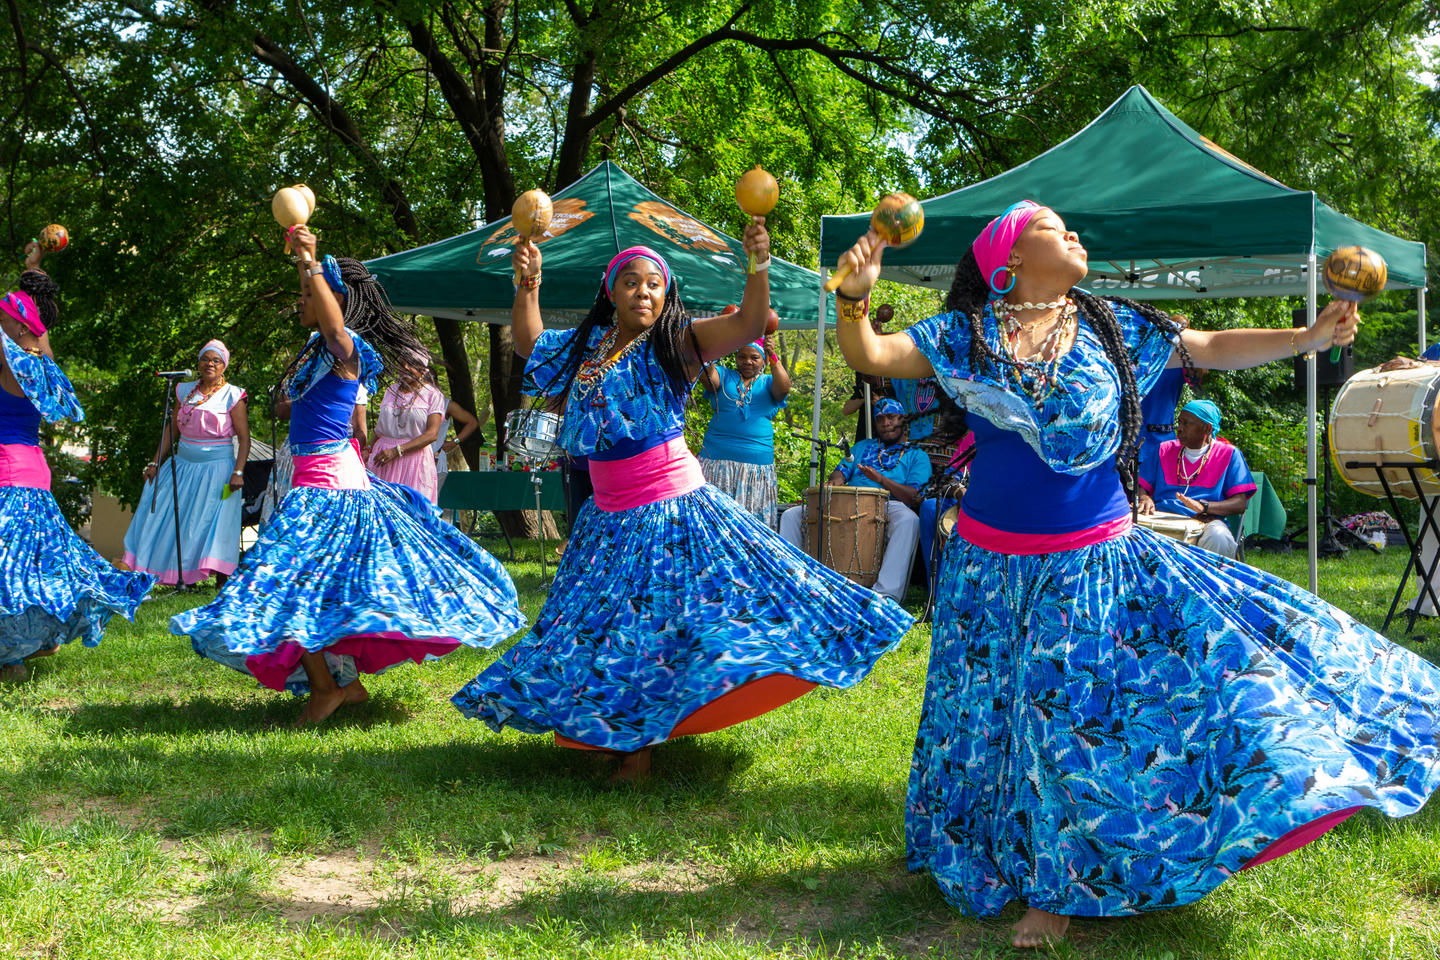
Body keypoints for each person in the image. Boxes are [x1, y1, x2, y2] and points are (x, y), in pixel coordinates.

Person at [831, 199, 1440, 949]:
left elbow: (1210, 346)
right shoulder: (969, 334)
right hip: (987, 571)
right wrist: (854, 297)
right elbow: (872, 356)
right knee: (991, 720)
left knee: (1066, 723)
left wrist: (1310, 336)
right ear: (1009, 259)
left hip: (1089, 561)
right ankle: (988, 849)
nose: (1074, 234)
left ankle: (1059, 887)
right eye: (1055, 228)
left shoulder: (1112, 326)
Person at [452, 228, 911, 782]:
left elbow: (745, 325)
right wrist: (529, 280)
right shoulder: (589, 346)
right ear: (611, 292)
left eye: (654, 284)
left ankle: (636, 747)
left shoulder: (675, 345)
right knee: (599, 630)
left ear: (667, 296)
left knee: (657, 631)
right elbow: (529, 342)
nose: (643, 292)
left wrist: (757, 265)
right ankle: (614, 727)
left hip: (668, 509)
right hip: (606, 517)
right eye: (630, 282)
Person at [171, 226, 524, 725]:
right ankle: (345, 682)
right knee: (311, 585)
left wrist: (314, 263)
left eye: (307, 294)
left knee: (293, 583)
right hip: (315, 480)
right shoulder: (317, 351)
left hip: (330, 488)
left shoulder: (347, 347)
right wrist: (301, 258)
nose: (300, 301)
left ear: (333, 299)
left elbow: (334, 328)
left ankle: (324, 687)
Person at [0, 245, 153, 682]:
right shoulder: (43, 366)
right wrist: (33, 273)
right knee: (28, 565)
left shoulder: (9, 362)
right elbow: (38, 327)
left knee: (11, 569)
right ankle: (17, 653)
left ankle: (19, 649)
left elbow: (27, 323)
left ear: (15, 324)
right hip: (32, 473)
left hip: (7, 474)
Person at [122, 340, 250, 586]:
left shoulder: (233, 395)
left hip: (218, 468)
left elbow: (244, 439)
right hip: (183, 464)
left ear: (224, 366)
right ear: (198, 362)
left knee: (213, 521)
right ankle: (167, 573)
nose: (209, 364)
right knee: (167, 514)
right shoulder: (183, 390)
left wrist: (238, 471)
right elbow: (172, 430)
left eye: (216, 360)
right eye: (205, 359)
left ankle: (220, 580)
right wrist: (154, 462)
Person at [778, 398, 930, 602]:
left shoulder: (917, 455)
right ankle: (792, 583)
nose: (886, 423)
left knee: (909, 520)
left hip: (889, 504)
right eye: (881, 419)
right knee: (791, 515)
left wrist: (881, 480)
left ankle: (885, 595)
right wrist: (834, 483)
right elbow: (840, 472)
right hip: (848, 501)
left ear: (904, 420)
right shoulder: (861, 447)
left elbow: (915, 497)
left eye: (892, 417)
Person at [1138, 399, 1255, 558]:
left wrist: (1204, 507)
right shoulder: (1163, 449)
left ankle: (1208, 582)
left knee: (1219, 536)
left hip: (1206, 522)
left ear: (1207, 428)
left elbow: (1240, 504)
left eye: (1187, 424)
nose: (1179, 429)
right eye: (1179, 422)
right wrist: (1144, 497)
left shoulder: (1229, 454)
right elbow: (1141, 485)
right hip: (1161, 516)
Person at [697, 335, 790, 529]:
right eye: (742, 356)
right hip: (716, 462)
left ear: (762, 359)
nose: (747, 361)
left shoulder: (769, 381)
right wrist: (716, 349)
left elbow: (783, 389)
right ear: (736, 357)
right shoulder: (723, 374)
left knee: (750, 527)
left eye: (754, 357)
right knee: (713, 523)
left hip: (755, 469)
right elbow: (708, 380)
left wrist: (773, 356)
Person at [367, 363, 446, 502]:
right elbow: (381, 429)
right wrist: (368, 449)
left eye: (411, 364)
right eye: (401, 363)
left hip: (414, 460)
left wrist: (396, 451)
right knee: (381, 509)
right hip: (382, 457)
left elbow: (432, 434)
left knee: (412, 509)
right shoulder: (391, 390)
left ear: (422, 370)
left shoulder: (433, 395)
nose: (405, 368)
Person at [841, 303, 895, 440]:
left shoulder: (896, 380)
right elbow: (846, 410)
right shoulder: (864, 383)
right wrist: (866, 398)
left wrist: (883, 403)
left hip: (888, 438)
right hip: (865, 435)